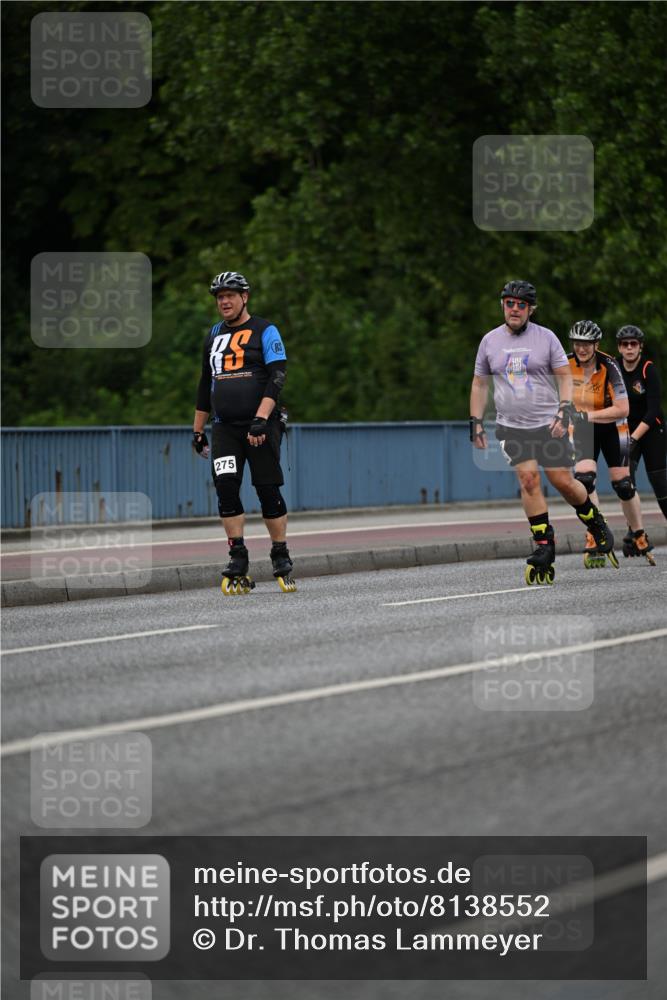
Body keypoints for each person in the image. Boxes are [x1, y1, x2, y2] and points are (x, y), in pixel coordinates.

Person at [469, 279, 617, 585]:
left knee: (562, 480)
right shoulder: (489, 341)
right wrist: (476, 421)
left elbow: (564, 377)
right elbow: (480, 384)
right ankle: (544, 545)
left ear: (531, 309)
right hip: (512, 426)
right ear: (502, 306)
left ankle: (595, 521)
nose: (514, 309)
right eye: (509, 303)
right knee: (528, 479)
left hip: (549, 422)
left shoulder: (546, 338)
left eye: (521, 305)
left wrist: (564, 408)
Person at [192, 270, 296, 594]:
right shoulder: (213, 334)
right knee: (225, 487)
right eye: (219, 297)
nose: (224, 301)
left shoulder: (265, 330)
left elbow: (277, 376)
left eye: (230, 296)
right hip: (224, 428)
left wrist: (261, 419)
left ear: (244, 297)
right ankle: (237, 555)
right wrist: (198, 430)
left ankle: (280, 553)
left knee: (267, 489)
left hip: (260, 426)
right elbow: (204, 383)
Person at [566, 321, 653, 565]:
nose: (581, 349)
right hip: (583, 428)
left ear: (596, 344)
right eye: (577, 343)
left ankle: (638, 533)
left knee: (623, 484)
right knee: (584, 481)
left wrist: (586, 415)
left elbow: (622, 408)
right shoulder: (564, 364)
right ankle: (595, 532)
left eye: (587, 344)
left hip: (614, 426)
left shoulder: (610, 365)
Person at [616, 323, 667, 544]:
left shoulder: (648, 369)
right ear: (619, 348)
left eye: (633, 344)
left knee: (659, 482)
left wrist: (634, 437)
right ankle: (634, 532)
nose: (629, 348)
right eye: (625, 344)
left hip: (651, 429)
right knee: (625, 482)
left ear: (640, 347)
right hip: (627, 431)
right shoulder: (614, 369)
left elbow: (653, 410)